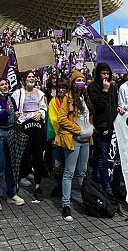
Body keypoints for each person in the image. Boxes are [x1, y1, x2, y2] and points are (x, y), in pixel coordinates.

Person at [56, 70, 94, 222]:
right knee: (69, 172)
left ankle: (87, 200)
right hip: (74, 139)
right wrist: (77, 129)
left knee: (83, 172)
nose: (81, 82)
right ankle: (66, 205)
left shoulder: (86, 97)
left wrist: (90, 128)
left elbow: (89, 116)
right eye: (78, 80)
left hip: (86, 140)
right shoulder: (68, 97)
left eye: (83, 80)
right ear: (72, 83)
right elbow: (61, 118)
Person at [0, 78, 24, 211]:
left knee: (11, 165)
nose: (6, 86)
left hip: (11, 133)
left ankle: (11, 194)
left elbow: (13, 115)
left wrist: (16, 115)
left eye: (6, 84)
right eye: (2, 84)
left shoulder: (11, 99)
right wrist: (6, 112)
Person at [11, 71, 47, 199]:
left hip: (37, 127)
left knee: (38, 155)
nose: (31, 79)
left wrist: (40, 113)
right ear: (24, 80)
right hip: (23, 127)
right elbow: (13, 108)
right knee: (23, 154)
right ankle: (19, 177)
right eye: (29, 77)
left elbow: (44, 108)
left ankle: (37, 185)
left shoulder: (40, 93)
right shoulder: (18, 93)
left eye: (33, 77)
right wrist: (16, 114)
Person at [87, 62, 118, 196]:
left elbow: (114, 104)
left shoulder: (114, 87)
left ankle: (100, 178)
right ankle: (104, 184)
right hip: (101, 127)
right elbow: (98, 105)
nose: (105, 76)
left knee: (108, 156)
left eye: (107, 73)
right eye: (103, 73)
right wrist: (104, 90)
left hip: (113, 127)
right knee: (102, 157)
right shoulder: (93, 87)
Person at [48, 80, 68, 197]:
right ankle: (58, 184)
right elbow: (51, 121)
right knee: (57, 165)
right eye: (59, 88)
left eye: (64, 87)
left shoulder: (71, 102)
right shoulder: (53, 102)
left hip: (68, 137)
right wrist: (53, 137)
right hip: (56, 137)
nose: (61, 90)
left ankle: (64, 187)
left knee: (67, 164)